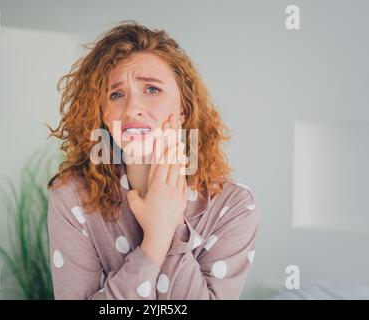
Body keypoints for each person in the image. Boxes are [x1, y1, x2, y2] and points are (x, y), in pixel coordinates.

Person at [46, 20, 260, 300]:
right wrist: (156, 240)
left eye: (152, 90)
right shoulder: (72, 197)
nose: (133, 109)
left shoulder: (235, 207)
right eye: (117, 94)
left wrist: (172, 225)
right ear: (102, 116)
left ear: (183, 108)